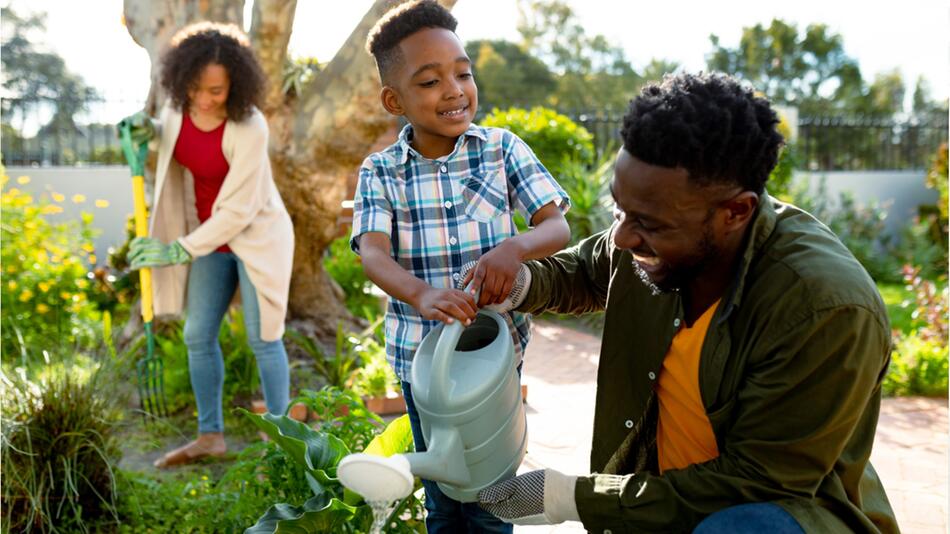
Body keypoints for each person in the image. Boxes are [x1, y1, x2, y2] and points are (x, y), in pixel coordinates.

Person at [476, 72, 899, 533]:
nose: (621, 236)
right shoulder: (653, 238)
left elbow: (754, 483)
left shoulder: (825, 308)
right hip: (670, 501)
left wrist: (568, 498)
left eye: (649, 224)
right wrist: (513, 284)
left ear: (736, 212)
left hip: (780, 515)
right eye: (619, 209)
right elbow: (584, 271)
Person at [350, 1, 571, 531]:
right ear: (393, 100)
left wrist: (514, 248)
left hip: (497, 358)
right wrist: (421, 294)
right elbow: (374, 253)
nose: (454, 90)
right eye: (429, 82)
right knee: (446, 496)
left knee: (493, 493)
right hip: (426, 368)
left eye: (463, 73)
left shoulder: (502, 150)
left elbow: (557, 227)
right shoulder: (381, 171)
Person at [120, 22, 295, 468]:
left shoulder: (250, 126)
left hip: (257, 239)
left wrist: (178, 249)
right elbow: (176, 138)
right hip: (209, 239)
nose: (204, 99)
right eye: (196, 88)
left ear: (236, 84)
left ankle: (284, 445)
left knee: (263, 339)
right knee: (198, 334)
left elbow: (237, 213)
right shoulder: (180, 111)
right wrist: (149, 130)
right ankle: (210, 436)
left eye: (215, 91)